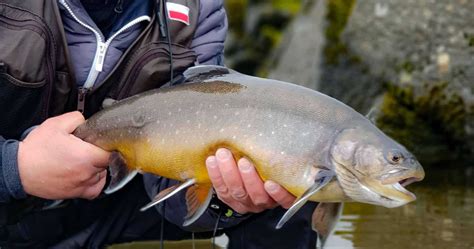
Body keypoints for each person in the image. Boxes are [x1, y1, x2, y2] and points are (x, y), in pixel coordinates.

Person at [0, 0, 318, 248]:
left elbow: (172, 189)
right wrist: (18, 168)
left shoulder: (198, 11)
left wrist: (226, 195)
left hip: (110, 199)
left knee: (288, 187)